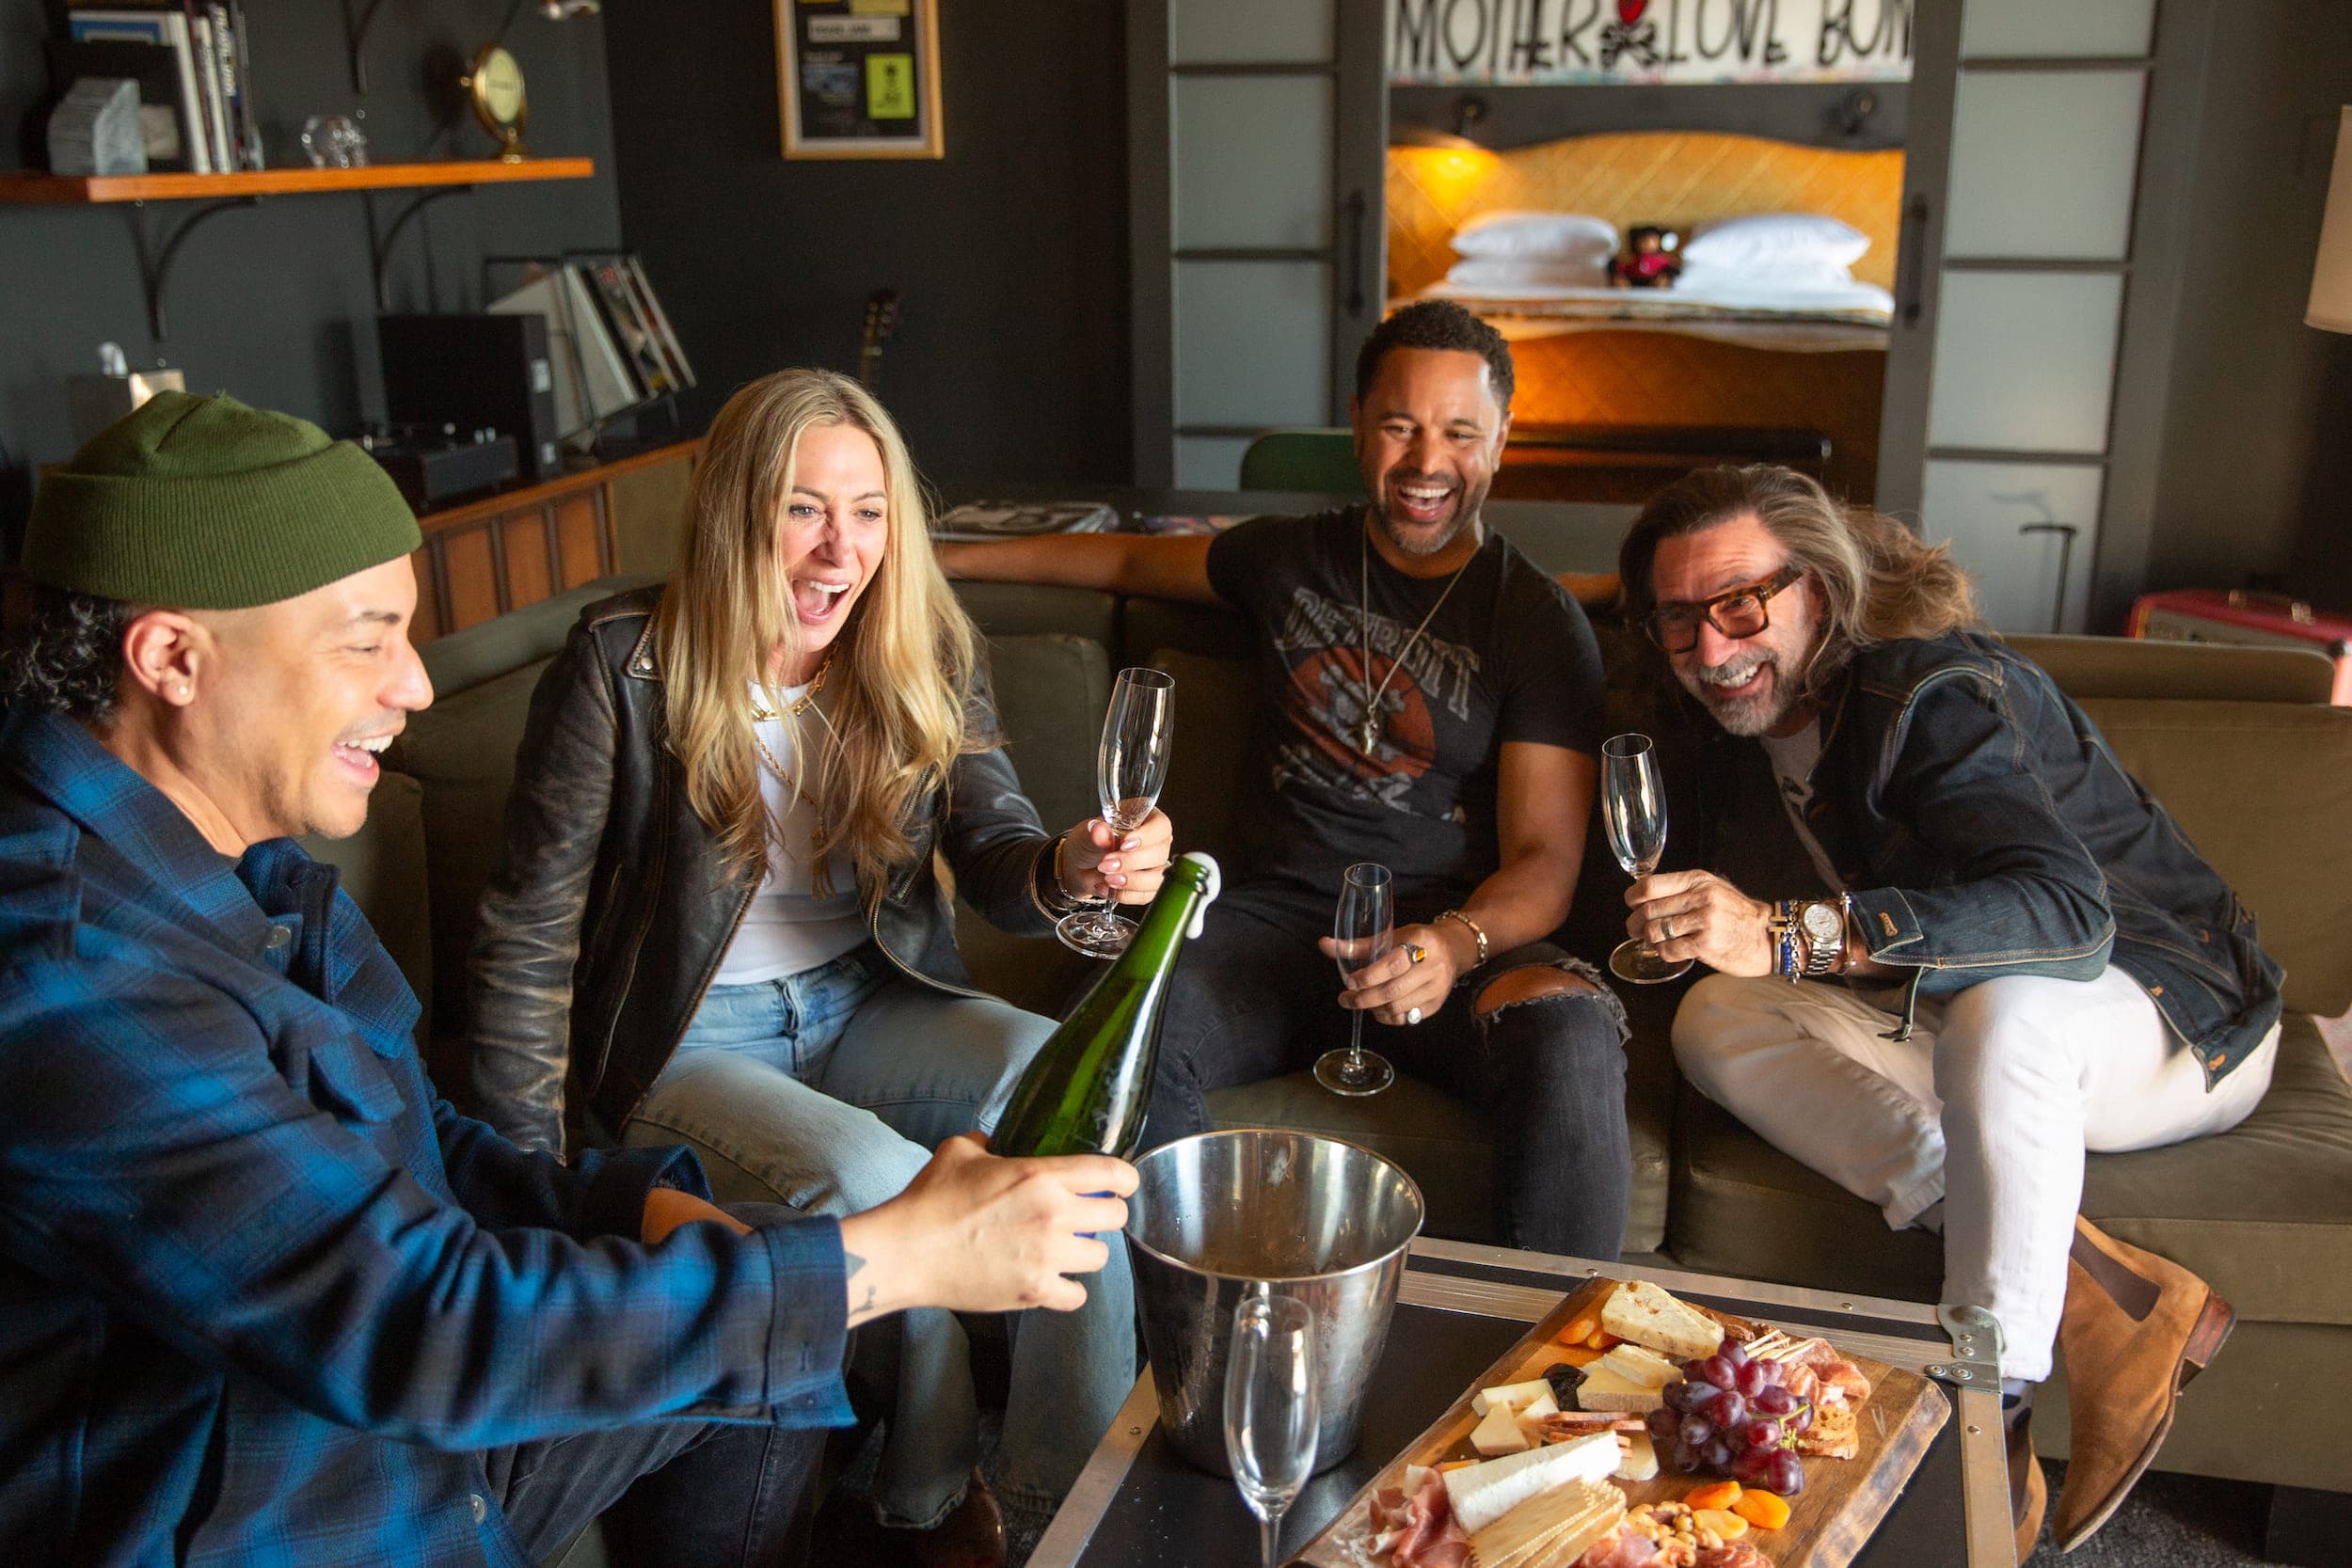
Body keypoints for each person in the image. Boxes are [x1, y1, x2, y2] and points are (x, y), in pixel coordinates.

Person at [0, 390, 1135, 1568]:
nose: (417, 686)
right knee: (799, 1269)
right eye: (366, 637)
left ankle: (1047, 1505)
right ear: (174, 657)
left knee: (761, 1334)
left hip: (424, 1431)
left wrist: (629, 1207)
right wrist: (892, 1257)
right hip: (306, 1504)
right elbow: (416, 1317)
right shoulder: (64, 973)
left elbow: (427, 1145)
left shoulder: (263, 877)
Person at [466, 369, 1168, 1565]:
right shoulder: (621, 665)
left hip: (871, 1000)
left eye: (868, 510)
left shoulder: (924, 648)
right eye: (802, 508)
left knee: (1071, 1118)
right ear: (736, 514)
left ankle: (1067, 1499)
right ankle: (926, 1501)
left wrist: (1073, 866)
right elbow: (528, 934)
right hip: (691, 1040)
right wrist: (526, 1182)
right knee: (879, 1172)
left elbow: (995, 853)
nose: (838, 548)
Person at [1613, 464, 2283, 1558]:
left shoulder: (1933, 692)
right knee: (1713, 1019)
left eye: (1741, 602)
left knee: (2003, 1019)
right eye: (1678, 616)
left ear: (1820, 593)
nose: (1713, 647)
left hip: (2172, 1013)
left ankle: (1986, 1428)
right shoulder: (1737, 726)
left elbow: (2065, 915)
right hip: (1972, 1015)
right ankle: (2094, 1283)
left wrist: (1788, 932)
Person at [941, 300, 1631, 1259]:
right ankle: (1197, 1340)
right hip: (1264, 927)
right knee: (1118, 1027)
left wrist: (1453, 940)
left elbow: (1546, 858)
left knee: (1567, 1030)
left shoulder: (1535, 620)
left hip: (1438, 936)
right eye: (1399, 425)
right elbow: (1128, 555)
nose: (1426, 459)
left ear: (1501, 440)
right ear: (1357, 424)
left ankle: (1561, 1371)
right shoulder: (1289, 557)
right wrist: (935, 563)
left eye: (1459, 432)